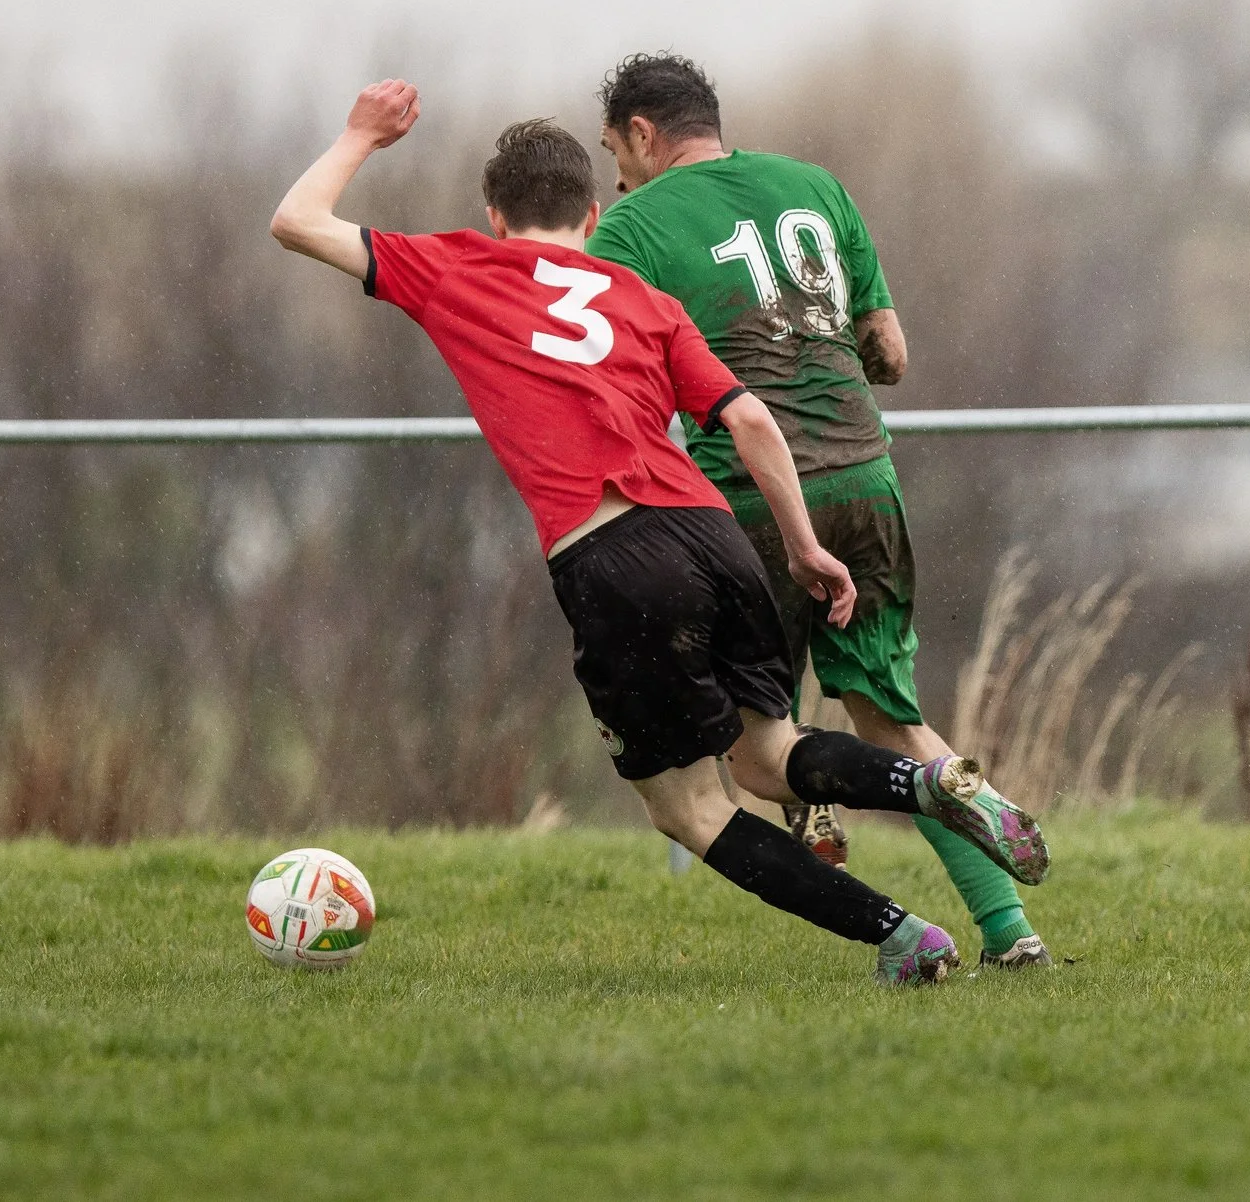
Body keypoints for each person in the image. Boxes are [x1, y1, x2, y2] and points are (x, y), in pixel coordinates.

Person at [269, 80, 1048, 985]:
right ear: (591, 210)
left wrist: (364, 134)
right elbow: (752, 421)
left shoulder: (457, 267)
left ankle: (902, 934)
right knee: (768, 755)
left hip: (613, 556)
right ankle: (930, 784)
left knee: (692, 811)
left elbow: (296, 220)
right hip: (715, 533)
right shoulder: (639, 299)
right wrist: (803, 548)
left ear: (493, 215)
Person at [585, 52, 1053, 970]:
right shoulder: (815, 187)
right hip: (866, 477)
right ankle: (1010, 930)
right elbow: (889, 351)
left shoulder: (632, 228)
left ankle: (831, 830)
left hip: (749, 497)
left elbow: (604, 371)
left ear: (643, 135)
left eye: (615, 154)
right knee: (889, 713)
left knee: (753, 745)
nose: (617, 177)